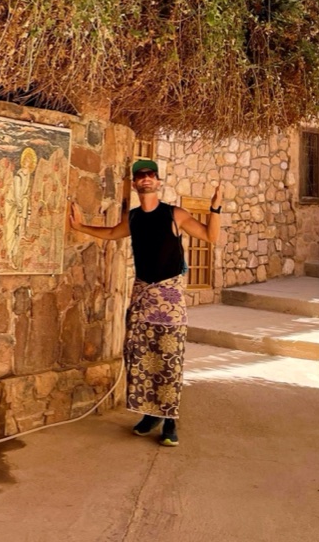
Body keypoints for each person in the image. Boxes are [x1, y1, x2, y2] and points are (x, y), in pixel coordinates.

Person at [68, 159, 221, 447]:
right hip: (142, 296)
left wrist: (215, 208)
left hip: (169, 298)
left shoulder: (174, 214)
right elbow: (113, 233)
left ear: (158, 181)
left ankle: (170, 421)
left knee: (169, 360)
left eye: (150, 175)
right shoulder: (135, 218)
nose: (146, 179)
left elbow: (211, 236)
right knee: (139, 358)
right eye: (140, 176)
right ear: (136, 184)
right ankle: (149, 415)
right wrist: (81, 226)